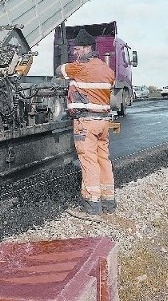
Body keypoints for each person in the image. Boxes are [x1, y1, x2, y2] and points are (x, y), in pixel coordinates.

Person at [56, 29, 116, 220]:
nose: (75, 52)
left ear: (88, 48)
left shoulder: (80, 67)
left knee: (88, 161)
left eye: (78, 48)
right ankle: (109, 202)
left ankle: (92, 207)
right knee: (103, 160)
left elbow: (60, 71)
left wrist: (74, 67)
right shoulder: (107, 70)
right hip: (103, 122)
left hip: (86, 123)